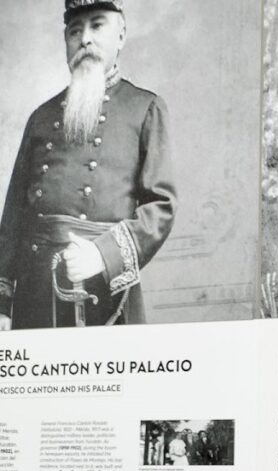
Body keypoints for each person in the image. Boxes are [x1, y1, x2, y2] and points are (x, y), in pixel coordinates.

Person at [0, 0, 176, 330]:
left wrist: (102, 256)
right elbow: (13, 218)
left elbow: (161, 207)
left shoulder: (145, 108)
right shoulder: (41, 118)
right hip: (35, 295)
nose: (85, 39)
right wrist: (2, 303)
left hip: (104, 291)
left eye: (97, 26)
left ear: (121, 35)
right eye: (75, 30)